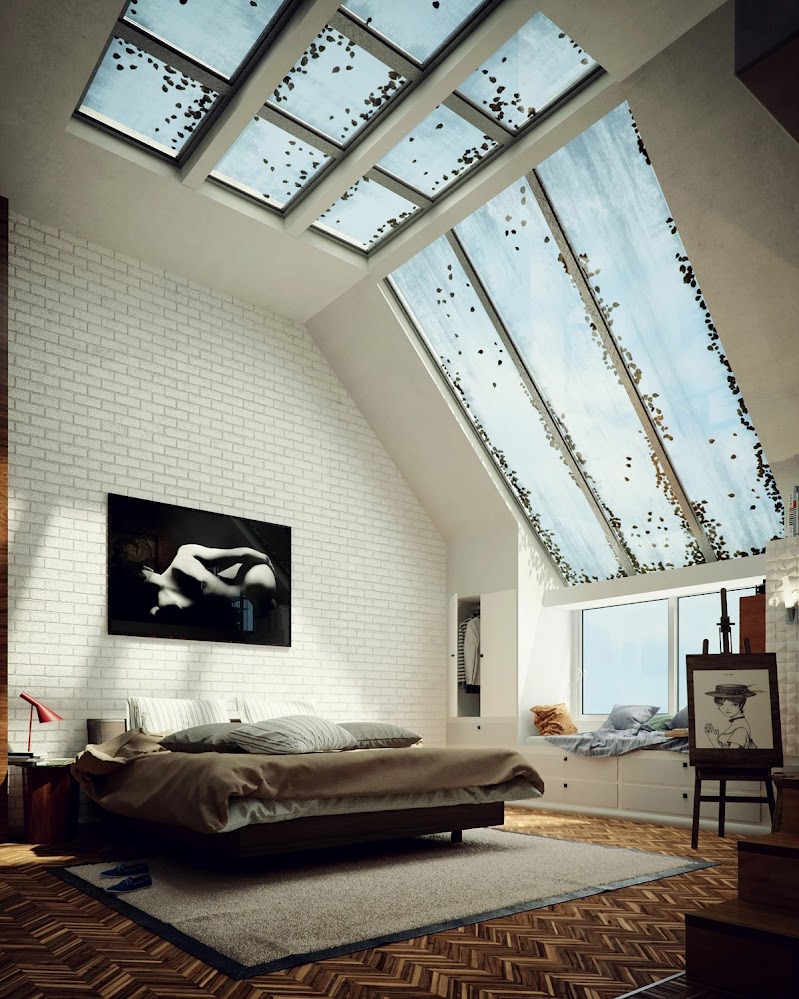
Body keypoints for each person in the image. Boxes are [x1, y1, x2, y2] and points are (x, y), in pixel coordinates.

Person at [142, 544, 277, 618]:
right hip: (259, 585)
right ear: (146, 568)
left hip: (242, 613)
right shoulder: (184, 553)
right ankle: (265, 604)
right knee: (237, 570)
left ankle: (264, 606)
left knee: (221, 587)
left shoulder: (162, 606)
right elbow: (242, 554)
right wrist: (266, 560)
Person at [703, 682, 760, 749]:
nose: (727, 709)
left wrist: (713, 740)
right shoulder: (737, 723)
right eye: (721, 704)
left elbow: (730, 756)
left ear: (741, 704)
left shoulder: (741, 729)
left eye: (733, 704)